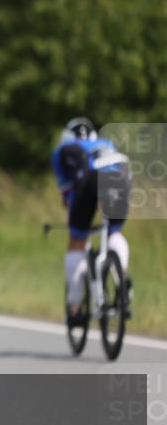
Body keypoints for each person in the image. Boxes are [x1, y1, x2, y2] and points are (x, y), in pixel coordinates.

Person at [50, 117, 131, 325]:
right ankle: (122, 281)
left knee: (76, 239)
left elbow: (69, 194)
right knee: (114, 232)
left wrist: (76, 222)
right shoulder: (106, 144)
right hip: (122, 174)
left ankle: (75, 307)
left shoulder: (62, 151)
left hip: (91, 178)